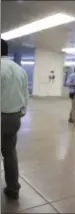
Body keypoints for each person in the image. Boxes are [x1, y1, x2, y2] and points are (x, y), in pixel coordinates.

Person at [1, 39, 29, 200]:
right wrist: (19, 113)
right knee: (10, 153)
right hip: (14, 118)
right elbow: (26, 96)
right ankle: (13, 188)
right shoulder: (20, 70)